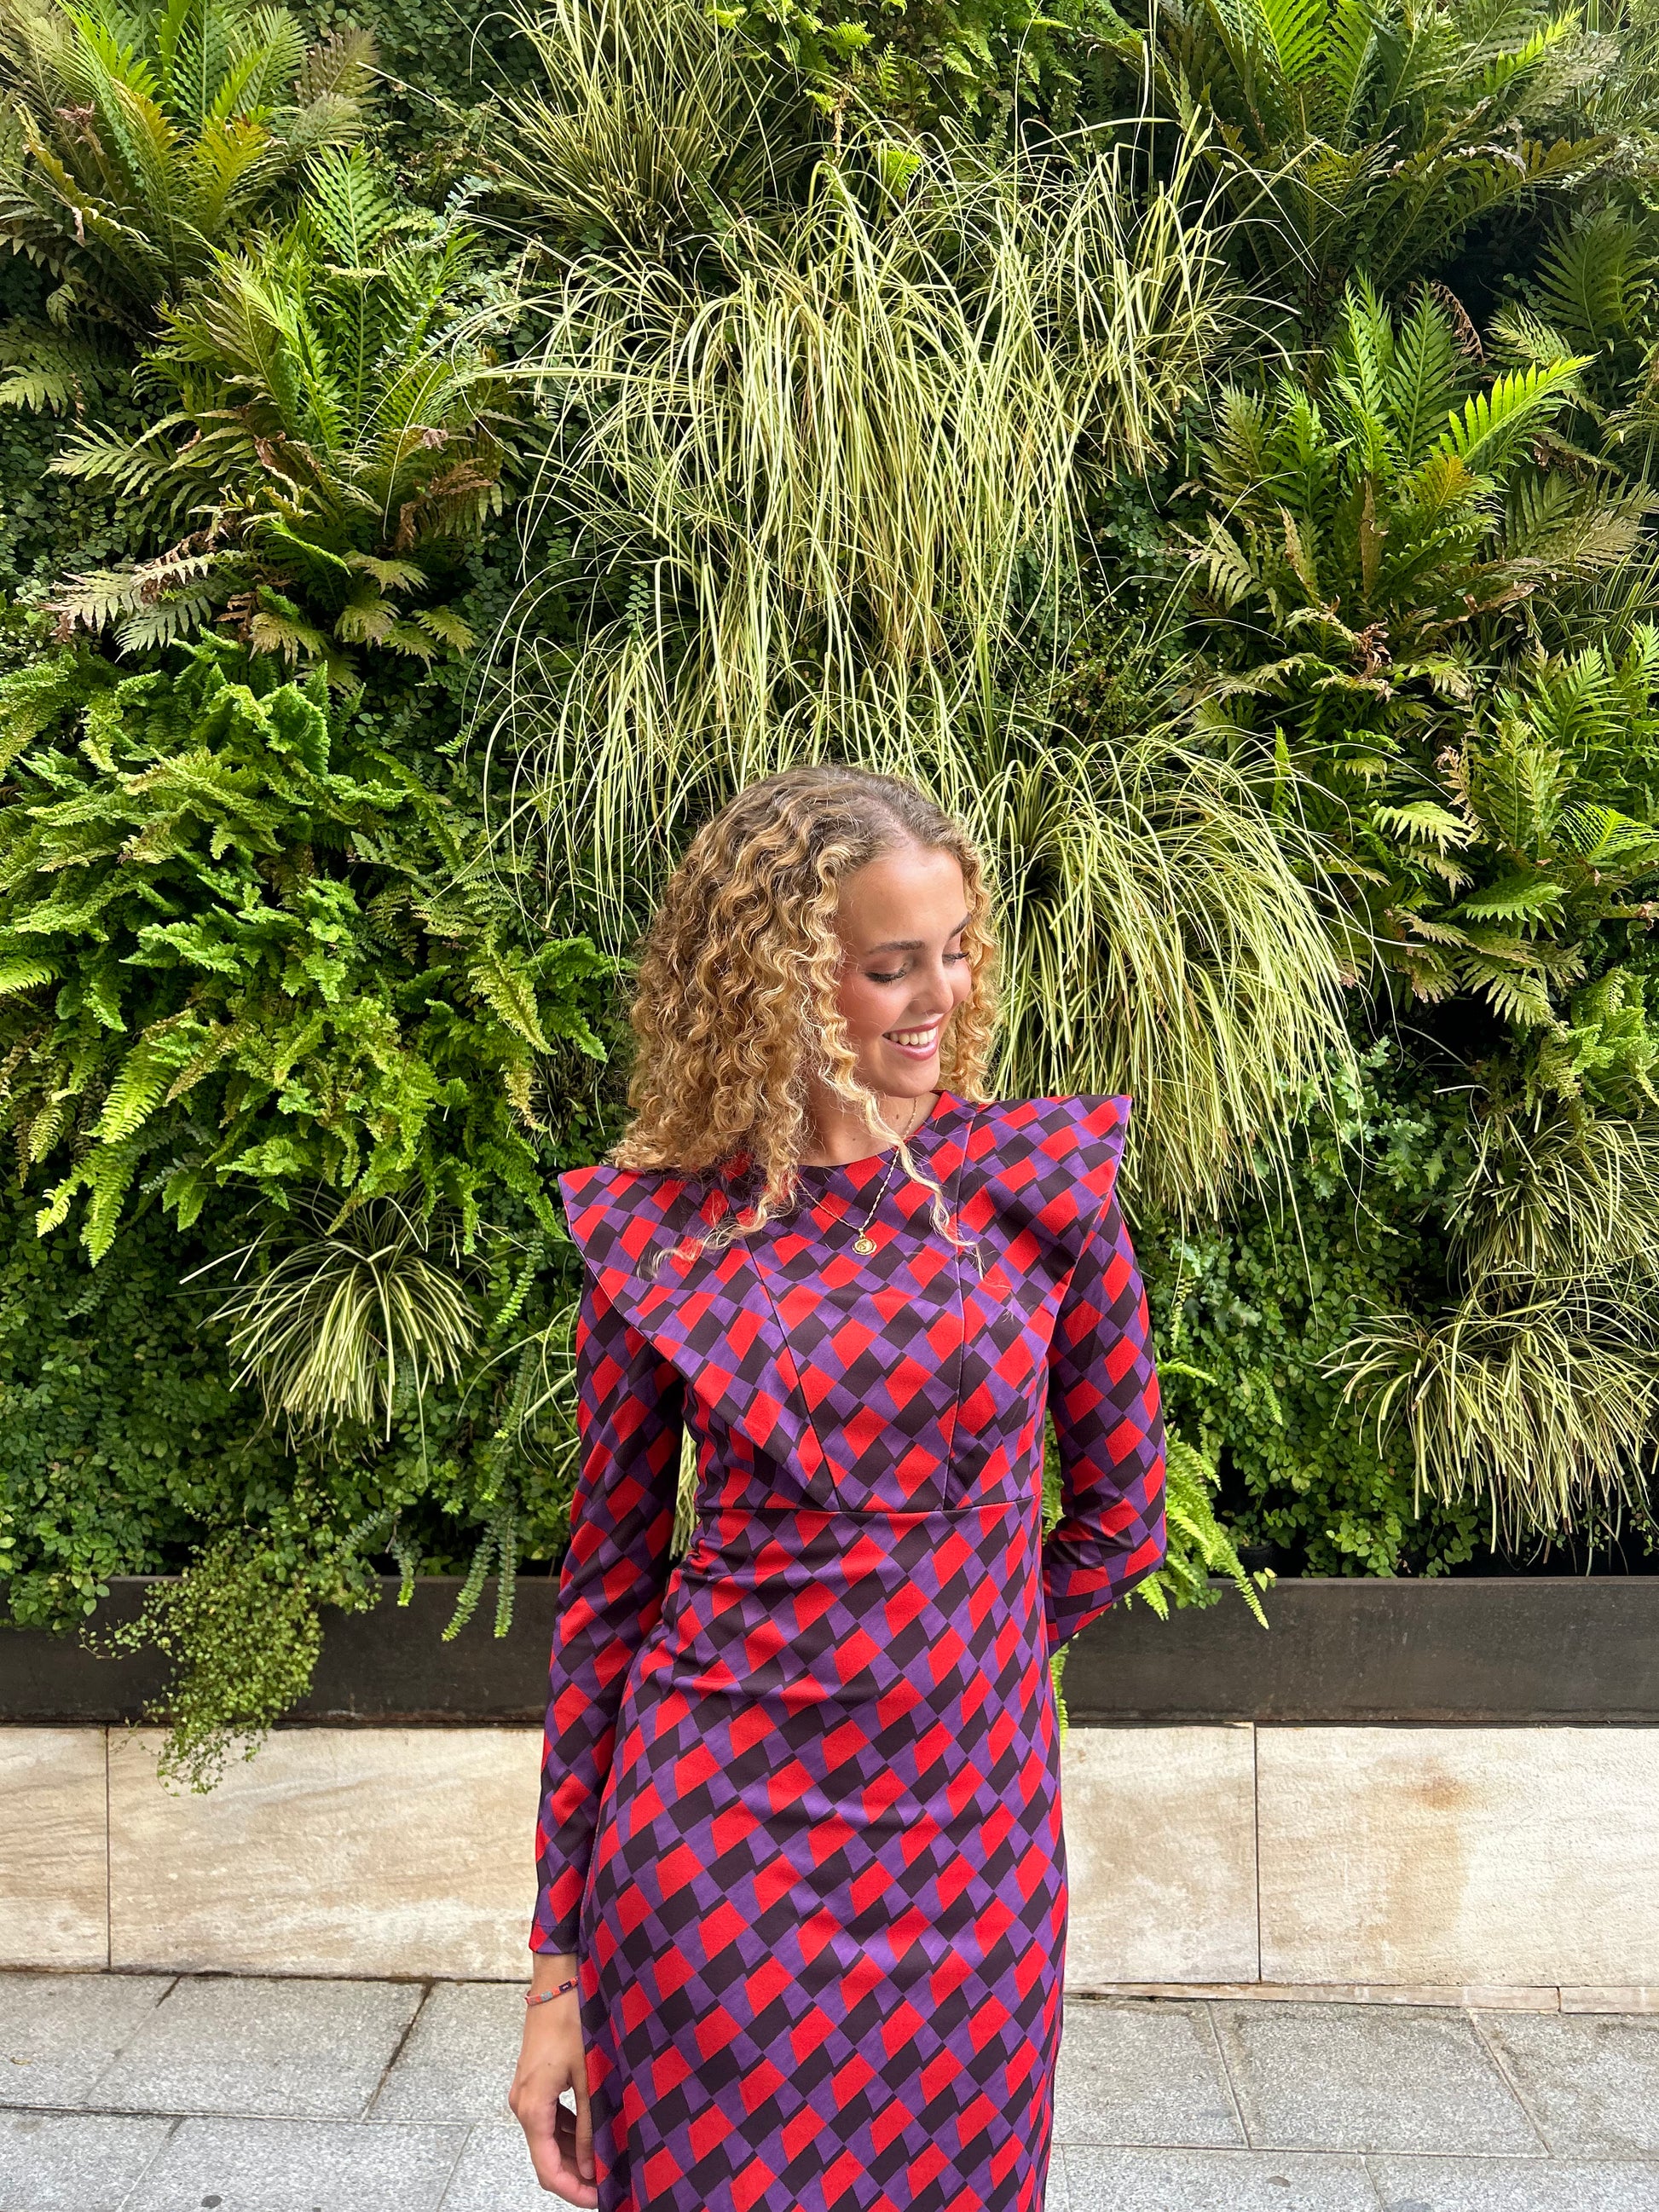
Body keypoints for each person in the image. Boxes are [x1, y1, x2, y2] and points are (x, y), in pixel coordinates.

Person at [509, 765, 1168, 2211]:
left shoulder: (1042, 1188)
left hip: (970, 1859)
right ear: (781, 981)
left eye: (954, 953)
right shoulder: (662, 1239)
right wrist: (556, 1973)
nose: (936, 998)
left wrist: (963, 1645)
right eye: (889, 967)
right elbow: (605, 1600)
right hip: (714, 1850)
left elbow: (1124, 1520)